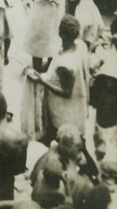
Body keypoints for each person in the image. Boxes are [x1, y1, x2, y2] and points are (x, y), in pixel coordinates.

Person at [26, 15, 89, 144]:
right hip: (77, 105)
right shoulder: (80, 45)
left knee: (61, 138)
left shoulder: (65, 64)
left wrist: (42, 81)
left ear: (61, 34)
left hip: (63, 112)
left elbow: (66, 92)